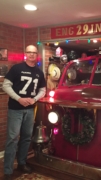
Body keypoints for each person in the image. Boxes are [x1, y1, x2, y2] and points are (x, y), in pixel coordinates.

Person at [2, 45, 46, 180]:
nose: (31, 55)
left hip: (29, 110)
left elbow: (43, 90)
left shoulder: (39, 72)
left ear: (37, 54)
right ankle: (8, 171)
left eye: (34, 52)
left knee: (27, 137)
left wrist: (34, 99)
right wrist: (19, 98)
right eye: (29, 52)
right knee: (13, 139)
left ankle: (21, 163)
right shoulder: (16, 68)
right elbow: (5, 85)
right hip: (15, 109)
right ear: (25, 54)